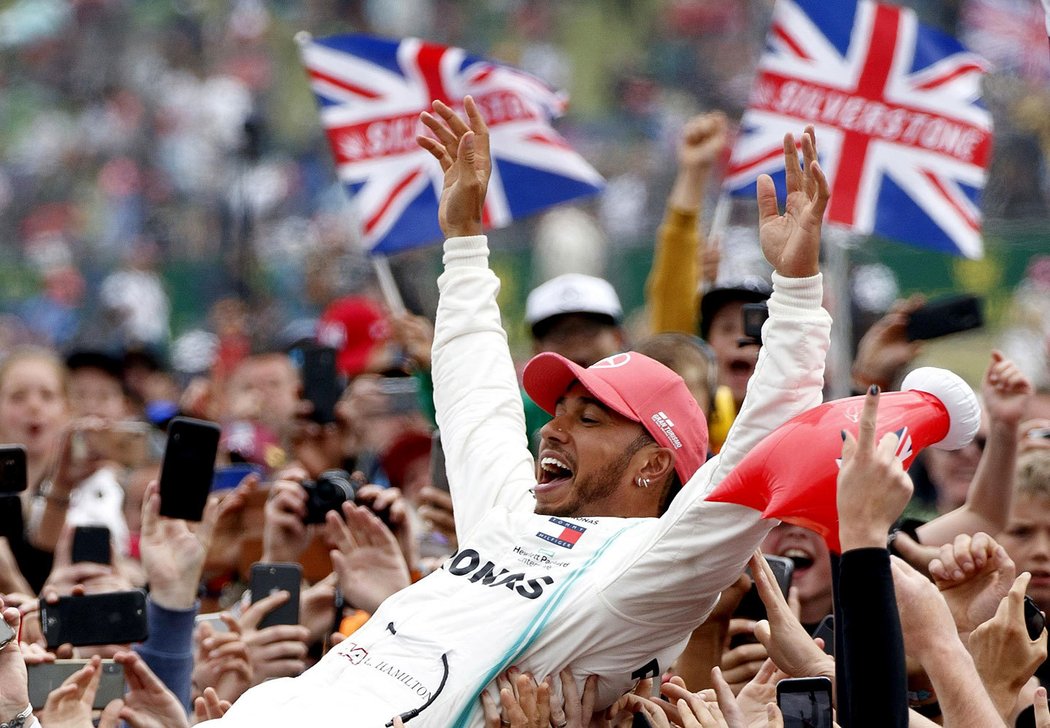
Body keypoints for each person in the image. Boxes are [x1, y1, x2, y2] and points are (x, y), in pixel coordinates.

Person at [201, 95, 830, 727]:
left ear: (653, 465)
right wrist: (465, 242)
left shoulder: (642, 576)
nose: (552, 429)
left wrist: (798, 292)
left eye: (590, 420)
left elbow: (759, 458)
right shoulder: (510, 517)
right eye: (559, 410)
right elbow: (476, 400)